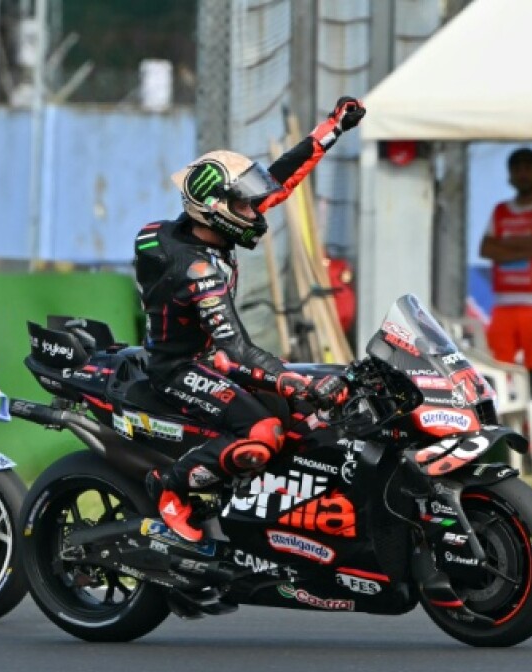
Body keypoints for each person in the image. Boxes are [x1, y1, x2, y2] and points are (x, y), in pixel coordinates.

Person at [136, 97, 364, 542]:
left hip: (213, 359)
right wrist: (294, 382)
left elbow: (279, 180)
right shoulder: (196, 268)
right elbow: (235, 349)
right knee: (264, 431)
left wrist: (332, 128)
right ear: (213, 209)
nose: (256, 211)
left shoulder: (200, 231)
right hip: (181, 368)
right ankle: (171, 488)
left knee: (313, 415)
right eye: (243, 206)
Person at [478, 148, 532, 382]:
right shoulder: (501, 210)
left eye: (528, 168)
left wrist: (506, 247)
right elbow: (486, 249)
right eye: (517, 169)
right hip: (504, 303)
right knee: (500, 369)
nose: (523, 174)